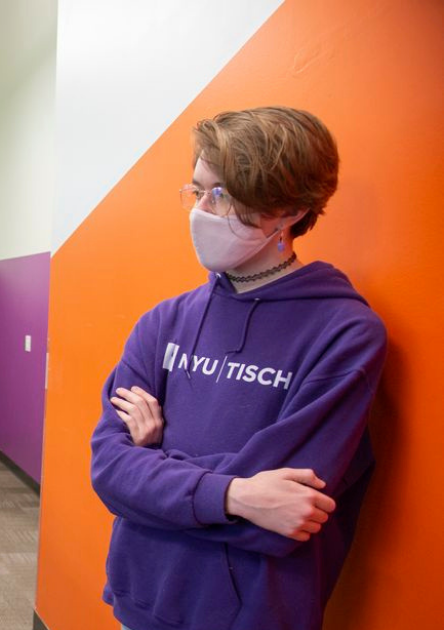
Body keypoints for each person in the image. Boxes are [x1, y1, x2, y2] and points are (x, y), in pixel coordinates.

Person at [90, 107, 387, 630]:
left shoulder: (343, 335)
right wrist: (236, 494)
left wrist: (158, 459)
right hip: (140, 596)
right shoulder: (165, 321)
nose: (201, 210)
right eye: (197, 189)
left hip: (251, 613)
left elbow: (287, 516)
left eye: (223, 195)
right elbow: (111, 473)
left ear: (290, 209)